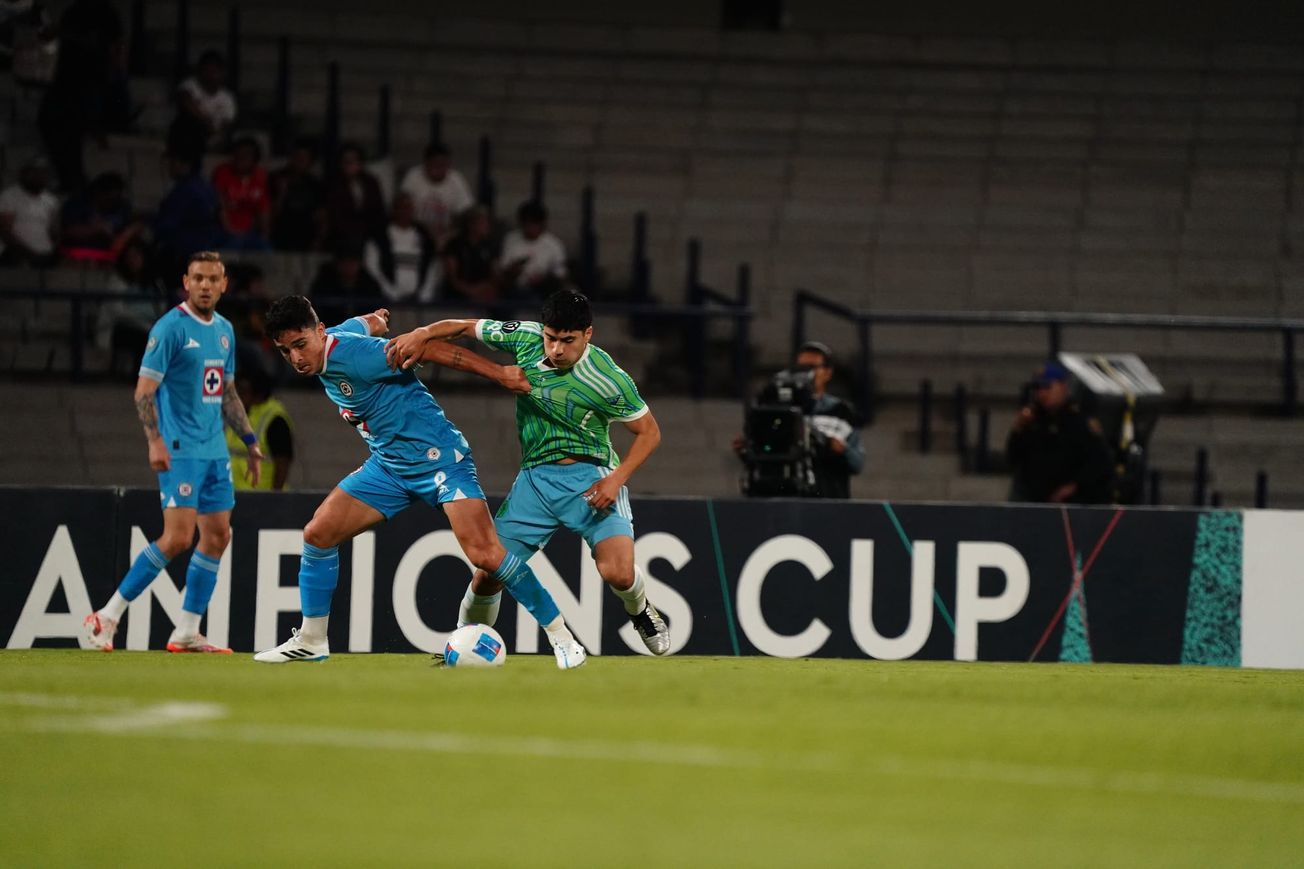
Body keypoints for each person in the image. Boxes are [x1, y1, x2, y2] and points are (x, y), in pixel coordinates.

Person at [253, 295, 587, 668]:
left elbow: (430, 349)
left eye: (301, 345)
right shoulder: (335, 338)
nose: (297, 358)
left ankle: (562, 637)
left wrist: (499, 373)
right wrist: (376, 319)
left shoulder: (357, 355)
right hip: (389, 467)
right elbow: (361, 323)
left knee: (485, 555)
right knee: (318, 534)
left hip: (440, 460)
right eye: (285, 352)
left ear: (318, 332)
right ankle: (313, 640)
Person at [385, 290, 672, 655]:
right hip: (535, 482)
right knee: (488, 575)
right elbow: (465, 327)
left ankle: (641, 610)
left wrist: (616, 479)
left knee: (618, 573)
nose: (556, 349)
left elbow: (650, 432)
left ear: (588, 334)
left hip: (591, 479)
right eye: (551, 338)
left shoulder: (609, 378)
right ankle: (461, 645)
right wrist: (423, 332)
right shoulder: (525, 336)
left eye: (567, 340)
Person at [82, 251, 264, 653]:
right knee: (178, 537)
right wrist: (155, 440)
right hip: (180, 449)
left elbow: (227, 391)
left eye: (211, 278)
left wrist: (250, 442)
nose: (204, 285)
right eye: (197, 277)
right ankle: (107, 615)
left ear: (223, 284)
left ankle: (186, 630)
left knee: (218, 535)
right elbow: (144, 391)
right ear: (186, 281)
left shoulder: (225, 331)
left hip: (215, 450)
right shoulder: (169, 329)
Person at [732, 340, 865, 499]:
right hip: (781, 497)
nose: (805, 373)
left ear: (828, 373)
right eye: (800, 368)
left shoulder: (841, 411)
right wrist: (747, 448)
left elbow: (857, 463)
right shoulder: (774, 408)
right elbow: (765, 452)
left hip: (827, 501)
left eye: (812, 368)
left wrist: (840, 449)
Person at [1006, 361, 1114, 504]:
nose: (1042, 393)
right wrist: (1018, 429)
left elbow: (1099, 463)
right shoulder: (1033, 420)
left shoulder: (1078, 421)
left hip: (1072, 501)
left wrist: (1075, 486)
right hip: (1036, 499)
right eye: (1038, 388)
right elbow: (1013, 458)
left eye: (1047, 387)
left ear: (1062, 387)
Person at [152, 150, 222, 286]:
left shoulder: (186, 191)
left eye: (173, 162)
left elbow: (167, 226)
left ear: (185, 164)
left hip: (183, 258)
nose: (169, 167)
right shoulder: (206, 187)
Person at [226, 365, 293, 490]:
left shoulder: (274, 419)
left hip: (261, 497)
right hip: (234, 495)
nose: (237, 396)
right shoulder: (238, 413)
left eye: (242, 391)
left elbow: (282, 463)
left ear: (258, 394)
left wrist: (275, 499)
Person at [364, 192, 438, 304]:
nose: (405, 211)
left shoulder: (423, 236)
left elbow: (432, 265)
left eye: (408, 207)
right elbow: (372, 267)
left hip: (418, 303)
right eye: (401, 207)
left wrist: (425, 293)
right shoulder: (380, 236)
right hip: (388, 301)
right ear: (394, 209)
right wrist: (390, 292)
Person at [167, 50, 236, 168]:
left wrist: (217, 136)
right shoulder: (189, 85)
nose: (210, 75)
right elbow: (186, 102)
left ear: (222, 73)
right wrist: (205, 122)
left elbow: (226, 124)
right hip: (190, 133)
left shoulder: (227, 98)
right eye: (207, 70)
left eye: (214, 71)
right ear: (200, 70)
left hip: (213, 137)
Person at [399, 141, 473, 245]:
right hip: (416, 232)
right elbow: (402, 211)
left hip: (446, 234)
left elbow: (465, 213)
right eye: (435, 164)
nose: (439, 169)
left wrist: (449, 231)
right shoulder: (413, 177)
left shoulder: (456, 179)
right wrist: (426, 230)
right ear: (426, 163)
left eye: (443, 165)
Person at [59, 170, 142, 261]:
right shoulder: (77, 203)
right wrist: (97, 229)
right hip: (80, 251)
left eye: (116, 198)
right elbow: (68, 231)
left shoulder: (122, 206)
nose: (112, 203)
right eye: (108, 199)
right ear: (98, 193)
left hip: (111, 252)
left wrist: (125, 235)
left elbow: (128, 229)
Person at [211, 136, 271, 251]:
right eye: (238, 153)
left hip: (249, 233)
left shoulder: (261, 176)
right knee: (234, 244)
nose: (241, 158)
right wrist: (231, 230)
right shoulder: (223, 172)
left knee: (266, 249)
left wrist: (265, 235)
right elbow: (220, 206)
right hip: (223, 232)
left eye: (246, 155)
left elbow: (264, 210)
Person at [325, 142, 386, 251]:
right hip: (344, 233)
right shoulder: (334, 184)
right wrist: (354, 230)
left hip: (369, 230)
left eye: (353, 161)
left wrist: (368, 228)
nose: (349, 165)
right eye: (346, 161)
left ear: (360, 163)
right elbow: (335, 215)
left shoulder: (371, 182)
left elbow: (378, 209)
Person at [498, 200, 566, 297]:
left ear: (542, 224)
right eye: (527, 223)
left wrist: (543, 279)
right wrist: (513, 271)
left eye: (534, 223)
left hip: (542, 292)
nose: (530, 227)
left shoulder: (553, 244)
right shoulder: (511, 239)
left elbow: (560, 275)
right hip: (514, 289)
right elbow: (503, 269)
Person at [309, 241, 384, 328]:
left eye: (353, 262)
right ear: (338, 264)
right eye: (345, 262)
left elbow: (379, 317)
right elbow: (315, 312)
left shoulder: (370, 285)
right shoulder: (324, 283)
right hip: (330, 333)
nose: (349, 267)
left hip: (363, 335)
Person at [0, 157, 59, 266]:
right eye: (35, 173)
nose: (39, 177)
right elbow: (5, 232)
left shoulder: (51, 200)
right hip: (18, 256)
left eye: (43, 173)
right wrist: (30, 255)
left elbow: (53, 230)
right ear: (23, 174)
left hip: (46, 255)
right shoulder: (8, 196)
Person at [269, 138, 326, 251]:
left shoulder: (316, 185)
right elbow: (270, 213)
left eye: (304, 158)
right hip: (281, 233)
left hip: (306, 235)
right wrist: (282, 194)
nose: (300, 161)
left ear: (311, 161)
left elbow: (322, 216)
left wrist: (318, 240)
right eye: (297, 157)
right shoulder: (277, 179)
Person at [440, 205, 499, 304]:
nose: (487, 226)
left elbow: (494, 274)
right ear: (471, 224)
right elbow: (452, 278)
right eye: (482, 222)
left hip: (483, 294)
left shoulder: (489, 246)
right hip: (457, 295)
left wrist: (486, 289)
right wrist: (471, 291)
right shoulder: (455, 245)